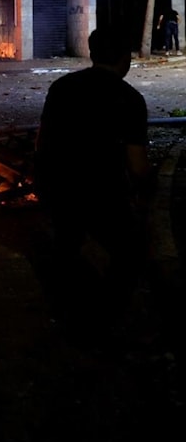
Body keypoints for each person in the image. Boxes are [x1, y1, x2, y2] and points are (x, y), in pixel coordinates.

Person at [34, 25, 156, 343]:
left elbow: (42, 142)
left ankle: (64, 311)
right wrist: (147, 191)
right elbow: (138, 164)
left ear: (93, 52)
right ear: (124, 59)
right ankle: (99, 321)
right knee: (130, 253)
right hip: (103, 192)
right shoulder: (130, 100)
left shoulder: (62, 87)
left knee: (66, 246)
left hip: (60, 186)